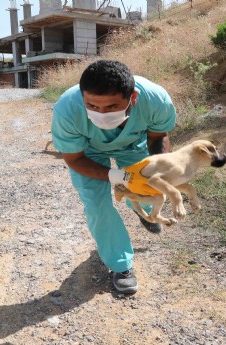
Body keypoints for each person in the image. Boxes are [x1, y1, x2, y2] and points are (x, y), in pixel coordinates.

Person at [51, 60, 176, 295]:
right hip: (88, 152)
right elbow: (74, 158)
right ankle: (121, 265)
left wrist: (159, 172)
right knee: (97, 207)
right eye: (93, 106)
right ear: (82, 97)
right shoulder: (67, 109)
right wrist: (118, 176)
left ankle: (141, 209)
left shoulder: (155, 100)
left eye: (111, 107)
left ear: (133, 98)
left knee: (148, 191)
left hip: (132, 144)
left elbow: (158, 136)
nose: (102, 114)